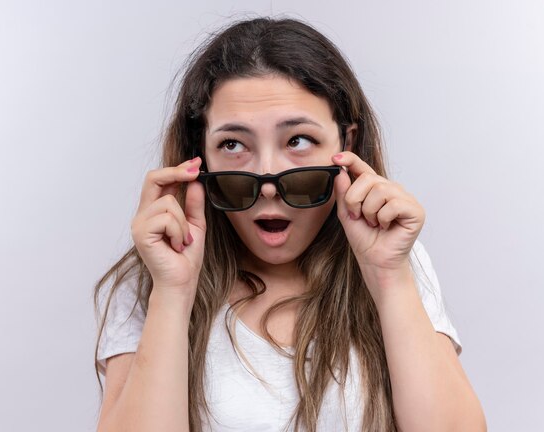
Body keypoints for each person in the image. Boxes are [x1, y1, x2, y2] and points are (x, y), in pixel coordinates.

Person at [93, 17, 486, 432]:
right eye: (233, 144)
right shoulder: (150, 280)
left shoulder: (400, 263)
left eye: (297, 140)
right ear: (200, 156)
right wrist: (172, 291)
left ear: (346, 144)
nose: (267, 181)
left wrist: (388, 277)